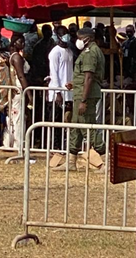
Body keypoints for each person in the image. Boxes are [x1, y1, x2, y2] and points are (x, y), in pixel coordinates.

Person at [52, 28, 105, 171]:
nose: (77, 41)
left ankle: (107, 158)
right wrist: (74, 83)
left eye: (79, 38)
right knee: (76, 126)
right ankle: (71, 161)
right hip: (81, 92)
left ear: (86, 38)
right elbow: (85, 77)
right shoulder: (91, 51)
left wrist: (83, 100)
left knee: (88, 126)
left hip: (85, 95)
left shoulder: (90, 53)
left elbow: (89, 77)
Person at [3, 33, 33, 149]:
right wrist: (29, 94)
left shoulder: (14, 56)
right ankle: (18, 145)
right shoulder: (16, 57)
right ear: (14, 43)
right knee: (18, 118)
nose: (23, 44)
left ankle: (9, 144)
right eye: (21, 42)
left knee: (12, 118)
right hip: (19, 90)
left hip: (14, 90)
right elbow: (21, 77)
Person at [47, 25, 74, 148]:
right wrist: (58, 92)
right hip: (57, 93)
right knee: (56, 121)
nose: (65, 36)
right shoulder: (55, 52)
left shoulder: (69, 51)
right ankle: (54, 146)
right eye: (63, 33)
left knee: (67, 120)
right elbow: (54, 73)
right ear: (58, 36)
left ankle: (63, 144)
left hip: (68, 92)